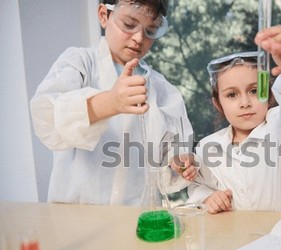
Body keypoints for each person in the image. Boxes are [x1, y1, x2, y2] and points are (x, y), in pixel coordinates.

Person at [30, 0, 196, 206]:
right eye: (128, 24)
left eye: (151, 30)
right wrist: (110, 102)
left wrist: (178, 163)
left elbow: (170, 156)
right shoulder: (79, 63)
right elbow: (45, 116)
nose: (138, 38)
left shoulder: (164, 91)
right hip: (76, 217)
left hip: (137, 218)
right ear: (103, 15)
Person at [185, 25, 281, 214]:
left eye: (254, 91)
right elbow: (197, 185)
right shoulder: (208, 146)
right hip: (233, 238)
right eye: (232, 95)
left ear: (269, 94)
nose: (245, 103)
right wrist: (208, 197)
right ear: (218, 104)